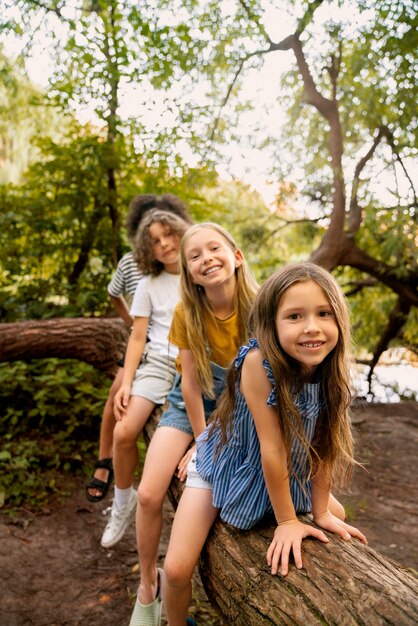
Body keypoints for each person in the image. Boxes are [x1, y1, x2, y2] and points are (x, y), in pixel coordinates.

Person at [163, 262, 368, 626]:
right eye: (294, 316)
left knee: (337, 518)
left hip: (289, 466)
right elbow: (270, 448)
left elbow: (325, 444)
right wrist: (288, 520)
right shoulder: (258, 363)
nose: (312, 327)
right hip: (229, 460)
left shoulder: (330, 365)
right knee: (178, 568)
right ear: (270, 323)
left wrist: (319, 513)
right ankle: (175, 623)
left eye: (324, 313)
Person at [128, 223, 258, 626]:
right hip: (192, 406)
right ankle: (149, 581)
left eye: (214, 248)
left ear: (236, 255)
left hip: (240, 410)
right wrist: (202, 442)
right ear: (189, 273)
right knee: (149, 494)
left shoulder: (260, 306)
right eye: (195, 256)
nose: (207, 259)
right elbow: (189, 382)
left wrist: (218, 438)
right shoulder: (189, 311)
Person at [85, 194, 192, 502]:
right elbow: (115, 295)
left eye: (168, 230)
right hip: (146, 339)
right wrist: (131, 323)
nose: (164, 243)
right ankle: (104, 461)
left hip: (171, 343)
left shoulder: (189, 261)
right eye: (153, 237)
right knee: (119, 391)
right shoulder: (133, 263)